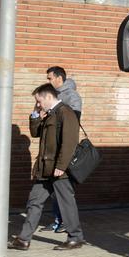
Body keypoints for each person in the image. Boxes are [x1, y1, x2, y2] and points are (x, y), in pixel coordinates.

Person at [8, 83, 84, 251]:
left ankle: (75, 238)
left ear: (49, 97)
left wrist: (61, 166)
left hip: (58, 170)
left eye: (39, 101)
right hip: (45, 169)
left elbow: (69, 142)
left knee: (66, 203)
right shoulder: (50, 114)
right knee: (34, 202)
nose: (38, 104)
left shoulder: (65, 112)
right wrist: (36, 114)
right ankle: (23, 239)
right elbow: (36, 133)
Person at [44, 66, 82, 233]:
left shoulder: (72, 96)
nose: (48, 81)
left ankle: (67, 223)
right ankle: (58, 220)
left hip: (65, 147)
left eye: (50, 78)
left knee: (65, 188)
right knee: (54, 188)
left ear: (59, 78)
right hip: (52, 148)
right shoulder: (51, 95)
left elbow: (73, 121)